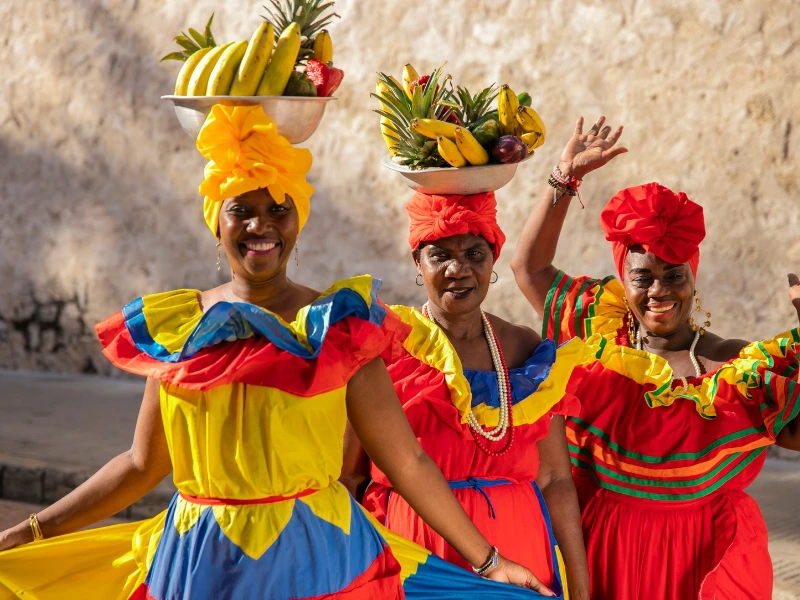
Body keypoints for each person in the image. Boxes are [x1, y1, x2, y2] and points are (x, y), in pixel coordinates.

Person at [0, 105, 557, 599]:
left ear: (298, 221)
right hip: (198, 567)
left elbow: (406, 461)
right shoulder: (176, 327)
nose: (260, 226)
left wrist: (490, 562)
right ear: (216, 219)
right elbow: (143, 465)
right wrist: (31, 532)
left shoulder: (341, 328)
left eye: (278, 210)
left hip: (322, 565)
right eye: (242, 209)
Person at [510, 115, 800, 599]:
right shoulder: (599, 344)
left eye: (674, 275)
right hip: (605, 554)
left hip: (701, 563)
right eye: (643, 277)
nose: (659, 291)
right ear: (624, 281)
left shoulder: (733, 368)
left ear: (693, 277)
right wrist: (565, 177)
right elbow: (529, 267)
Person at [342, 191, 591, 599]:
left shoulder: (525, 350)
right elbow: (351, 477)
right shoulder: (385, 349)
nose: (459, 269)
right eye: (440, 255)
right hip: (418, 561)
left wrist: (581, 590)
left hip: (523, 560)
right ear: (417, 263)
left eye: (475, 253)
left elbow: (556, 479)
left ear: (493, 260)